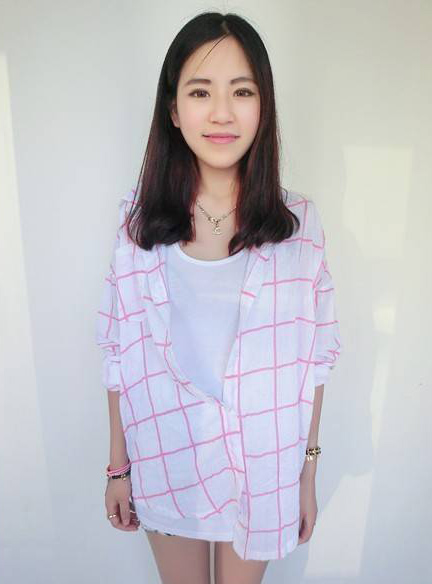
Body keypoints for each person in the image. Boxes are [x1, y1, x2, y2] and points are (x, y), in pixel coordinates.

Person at [95, 11, 342, 584]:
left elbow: (316, 358)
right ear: (174, 109)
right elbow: (119, 353)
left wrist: (306, 471)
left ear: (264, 105)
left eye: (242, 91)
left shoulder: (299, 226)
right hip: (167, 457)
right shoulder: (136, 226)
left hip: (263, 466)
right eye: (201, 91)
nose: (222, 112)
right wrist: (117, 469)